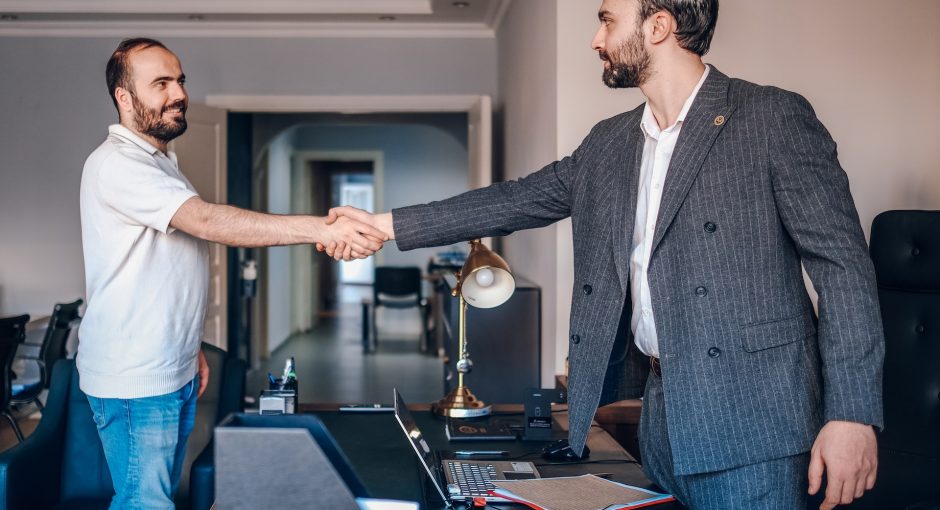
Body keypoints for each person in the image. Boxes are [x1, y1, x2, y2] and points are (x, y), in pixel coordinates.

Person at [324, 1, 884, 508]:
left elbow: (845, 273)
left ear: (659, 25)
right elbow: (514, 199)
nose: (596, 38)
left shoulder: (771, 117)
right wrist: (383, 224)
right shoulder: (610, 142)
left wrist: (852, 416)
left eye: (608, 20)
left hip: (759, 424)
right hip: (662, 416)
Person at [79, 38, 385, 509]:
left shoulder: (160, 165)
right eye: (160, 83)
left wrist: (192, 347)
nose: (177, 93)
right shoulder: (118, 164)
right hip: (136, 379)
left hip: (170, 367)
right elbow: (207, 221)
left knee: (156, 495)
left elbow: (164, 274)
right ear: (124, 97)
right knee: (145, 502)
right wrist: (322, 227)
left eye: (179, 81)